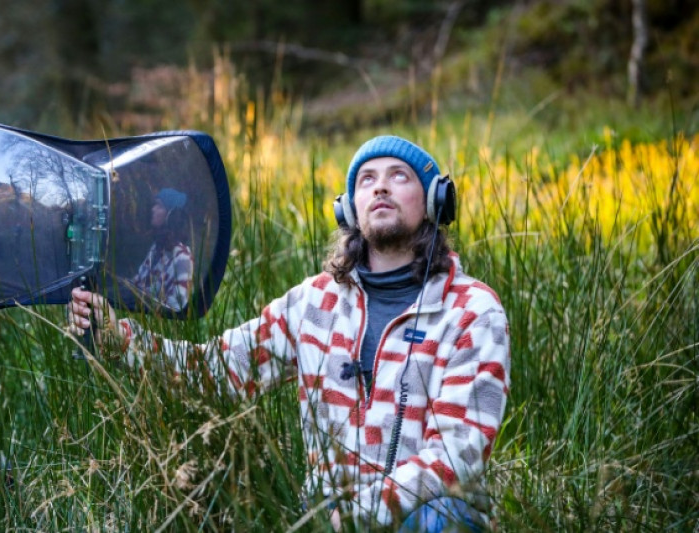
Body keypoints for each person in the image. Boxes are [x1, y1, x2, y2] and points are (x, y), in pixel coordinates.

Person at [69, 136, 510, 531]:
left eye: (399, 176)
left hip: (422, 517)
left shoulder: (473, 312)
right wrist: (120, 338)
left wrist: (361, 514)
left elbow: (458, 452)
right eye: (367, 179)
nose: (380, 187)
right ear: (349, 209)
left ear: (435, 202)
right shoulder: (313, 303)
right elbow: (217, 372)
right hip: (323, 516)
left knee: (446, 518)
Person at [129, 187, 194, 312]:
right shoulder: (156, 248)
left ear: (171, 215)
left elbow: (177, 305)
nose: (153, 209)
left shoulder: (183, 257)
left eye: (159, 206)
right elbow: (137, 281)